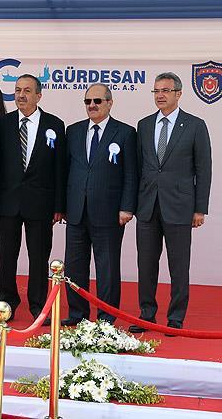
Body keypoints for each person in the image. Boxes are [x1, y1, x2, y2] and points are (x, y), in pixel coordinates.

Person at [129, 72, 212, 335]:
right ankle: (146, 315)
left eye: (165, 90)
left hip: (180, 207)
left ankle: (175, 318)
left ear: (178, 93)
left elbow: (204, 170)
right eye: (156, 91)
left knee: (178, 266)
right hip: (147, 207)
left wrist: (200, 209)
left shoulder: (195, 125)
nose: (160, 95)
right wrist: (133, 204)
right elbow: (138, 168)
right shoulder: (144, 125)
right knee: (146, 265)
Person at [0, 74, 65, 322]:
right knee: (6, 256)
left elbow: (59, 168)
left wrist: (59, 205)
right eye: (18, 90)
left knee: (39, 257)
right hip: (7, 202)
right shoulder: (2, 123)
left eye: (27, 91)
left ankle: (38, 305)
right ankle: (7, 302)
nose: (21, 95)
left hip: (41, 203)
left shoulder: (55, 124)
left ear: (39, 95)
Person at [62, 83, 137, 326]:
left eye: (97, 101)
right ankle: (77, 314)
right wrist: (62, 206)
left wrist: (127, 207)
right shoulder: (73, 131)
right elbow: (65, 171)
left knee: (107, 268)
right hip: (76, 212)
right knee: (74, 267)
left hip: (110, 213)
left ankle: (106, 317)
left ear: (110, 103)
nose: (92, 105)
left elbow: (131, 174)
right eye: (88, 101)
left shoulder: (125, 133)